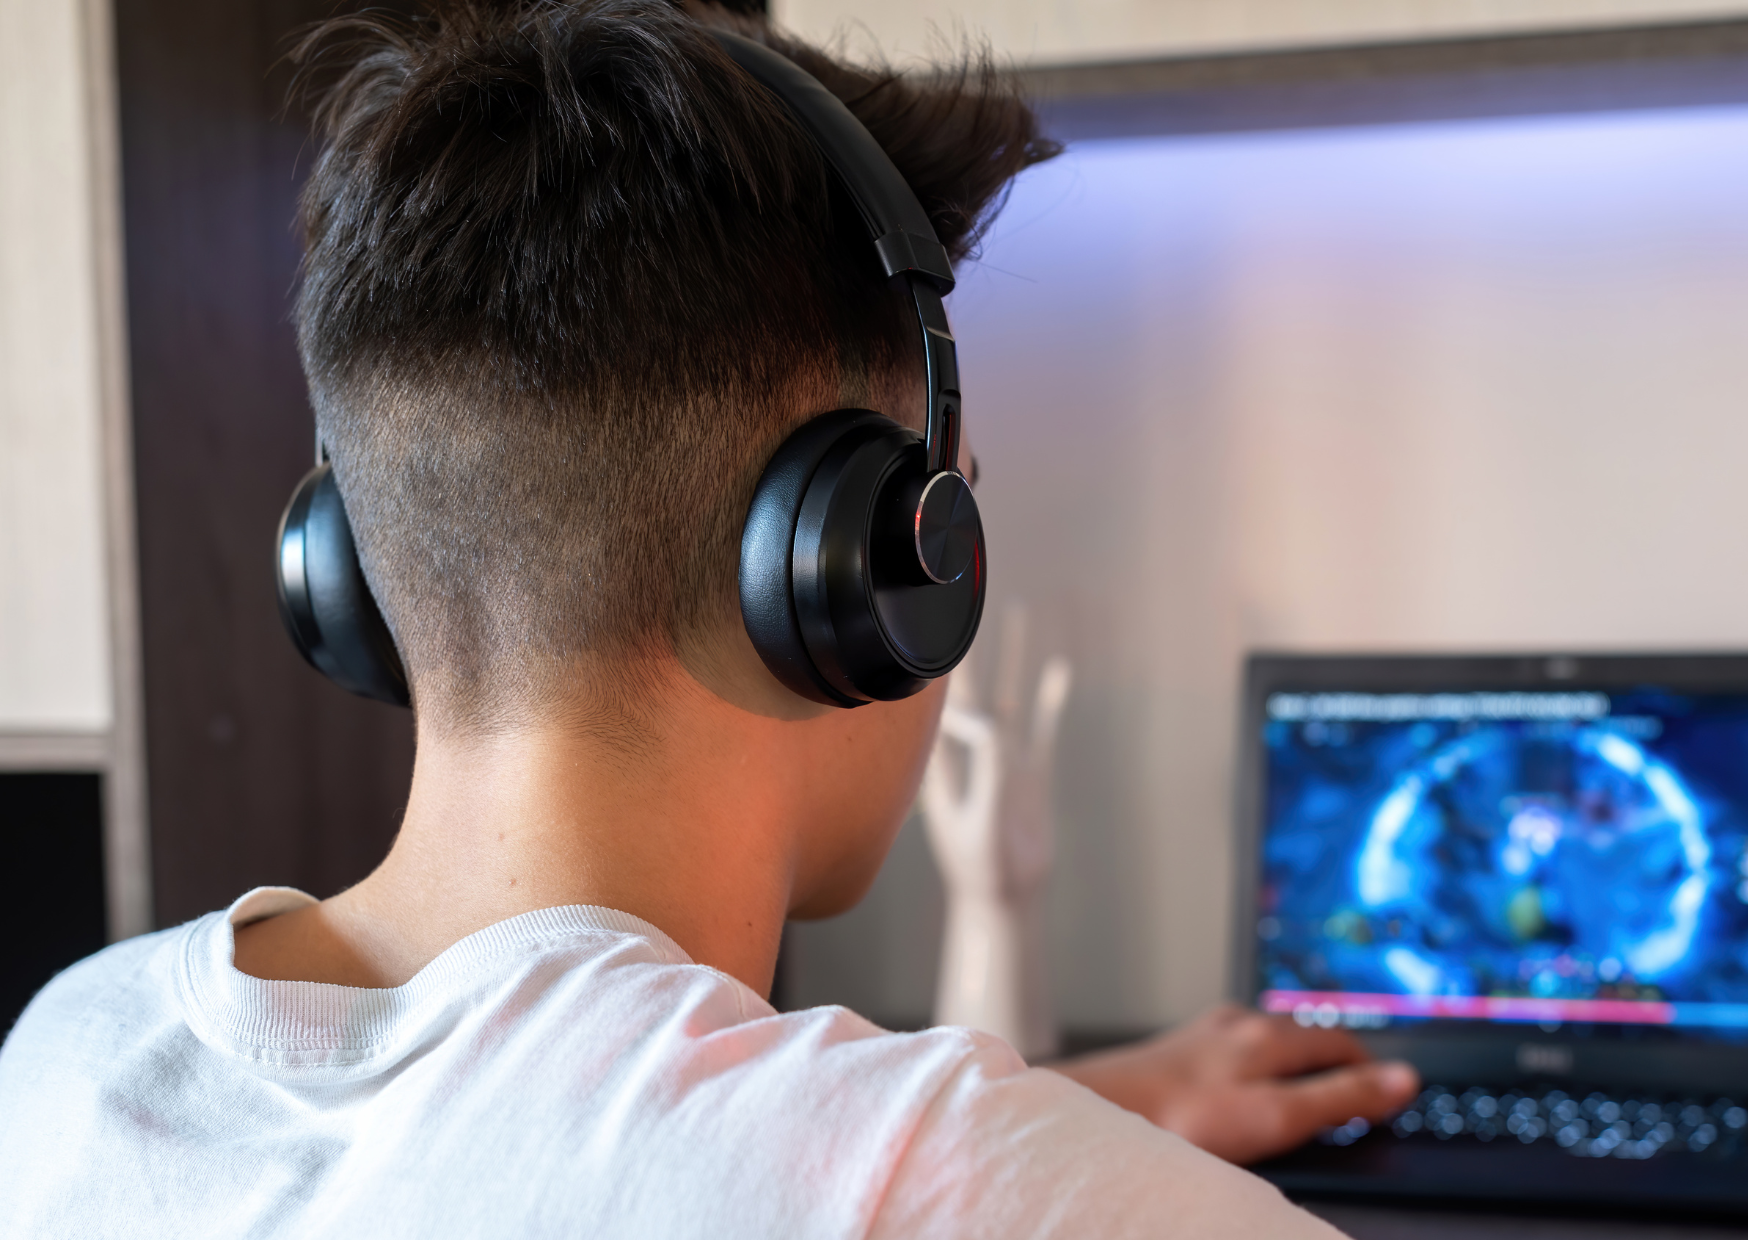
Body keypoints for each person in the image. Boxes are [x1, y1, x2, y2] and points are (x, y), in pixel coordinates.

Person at [0, 2, 1417, 1234]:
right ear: (863, 570)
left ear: (349, 566)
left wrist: (1066, 1117)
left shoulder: (71, 1056)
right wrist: (1040, 1150)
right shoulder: (957, 1182)